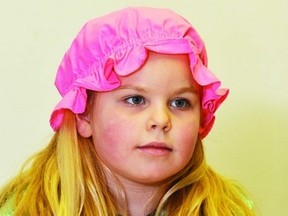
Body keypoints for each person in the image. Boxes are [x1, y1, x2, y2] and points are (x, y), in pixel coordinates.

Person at [0, 7, 255, 216]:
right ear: (83, 115)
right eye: (135, 99)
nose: (161, 120)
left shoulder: (229, 209)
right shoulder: (26, 209)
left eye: (180, 103)